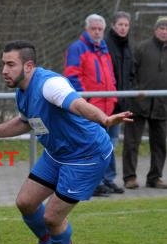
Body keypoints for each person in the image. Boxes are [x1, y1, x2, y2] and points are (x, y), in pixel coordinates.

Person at [0, 40, 132, 244]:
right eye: (3, 64)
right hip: (57, 154)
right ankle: (47, 242)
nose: (4, 70)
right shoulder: (22, 91)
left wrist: (104, 119)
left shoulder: (50, 85)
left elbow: (78, 104)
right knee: (26, 202)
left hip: (86, 156)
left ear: (29, 66)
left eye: (10, 64)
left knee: (52, 217)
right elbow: (25, 122)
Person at [64, 14, 121, 197]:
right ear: (87, 29)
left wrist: (113, 98)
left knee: (109, 145)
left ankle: (108, 180)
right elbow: (72, 76)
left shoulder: (104, 49)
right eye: (93, 29)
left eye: (100, 29)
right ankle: (94, 183)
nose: (97, 32)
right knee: (94, 146)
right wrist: (85, 102)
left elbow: (110, 76)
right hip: (91, 108)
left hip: (108, 106)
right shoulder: (77, 48)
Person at [122, 16, 167, 189]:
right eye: (161, 28)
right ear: (155, 30)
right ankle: (129, 177)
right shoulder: (141, 48)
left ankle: (155, 178)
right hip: (139, 105)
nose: (164, 31)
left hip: (162, 106)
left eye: (166, 28)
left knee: (160, 144)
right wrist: (135, 93)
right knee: (132, 142)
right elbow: (130, 73)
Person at [105, 11, 135, 190]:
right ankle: (99, 180)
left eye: (126, 25)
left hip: (120, 104)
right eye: (120, 24)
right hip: (105, 103)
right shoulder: (106, 45)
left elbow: (130, 74)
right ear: (113, 26)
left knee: (112, 142)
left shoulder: (128, 47)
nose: (123, 28)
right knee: (103, 143)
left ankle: (109, 179)